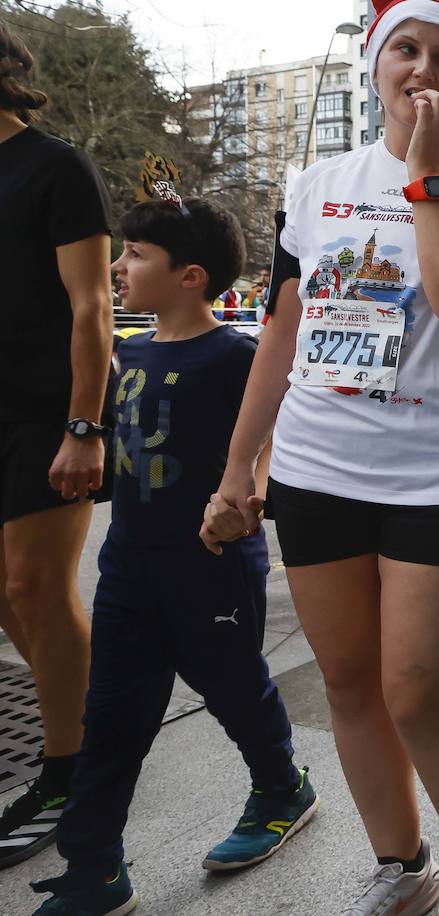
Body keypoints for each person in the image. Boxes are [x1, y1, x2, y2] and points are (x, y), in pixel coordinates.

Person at [202, 1, 439, 912]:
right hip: (318, 463)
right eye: (406, 51)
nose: (425, 70)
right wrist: (239, 468)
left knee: (417, 687)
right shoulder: (314, 185)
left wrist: (425, 177)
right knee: (348, 684)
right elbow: (283, 329)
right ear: (376, 67)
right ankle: (401, 862)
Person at [29, 196, 313, 914]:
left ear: (190, 276)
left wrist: (250, 492)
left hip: (209, 566)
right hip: (127, 566)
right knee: (111, 716)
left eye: (135, 255)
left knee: (234, 690)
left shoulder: (235, 355)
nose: (119, 266)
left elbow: (272, 439)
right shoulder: (127, 352)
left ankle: (282, 788)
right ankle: (93, 866)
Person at [0, 20, 114, 870]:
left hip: (46, 415)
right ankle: (82, 731)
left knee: (35, 585)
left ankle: (71, 768)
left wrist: (85, 425)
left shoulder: (55, 167)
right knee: (9, 597)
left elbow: (92, 309)